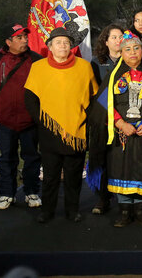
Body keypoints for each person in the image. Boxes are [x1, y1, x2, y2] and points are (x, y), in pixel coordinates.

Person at [89, 31, 142, 227]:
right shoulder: (112, 77)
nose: (132, 52)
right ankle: (124, 211)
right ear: (121, 52)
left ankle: (140, 210)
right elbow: (103, 104)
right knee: (121, 169)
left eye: (136, 48)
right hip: (120, 134)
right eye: (127, 49)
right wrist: (120, 123)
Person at [24, 27, 98, 223]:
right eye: (58, 43)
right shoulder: (38, 68)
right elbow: (30, 98)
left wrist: (88, 121)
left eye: (66, 42)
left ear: (71, 46)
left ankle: (72, 211)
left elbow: (93, 97)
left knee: (74, 176)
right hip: (49, 130)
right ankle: (47, 211)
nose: (63, 46)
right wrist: (43, 122)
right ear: (50, 47)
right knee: (50, 176)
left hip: (77, 130)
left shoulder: (84, 67)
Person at [0, 24, 42, 210]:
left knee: (31, 158)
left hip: (30, 122)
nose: (24, 40)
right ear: (8, 42)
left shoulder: (36, 60)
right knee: (6, 159)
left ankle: (31, 192)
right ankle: (6, 194)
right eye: (19, 37)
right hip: (3, 122)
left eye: (25, 37)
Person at [88, 24, 124, 215]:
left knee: (123, 159)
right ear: (106, 41)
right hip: (102, 119)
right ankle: (103, 198)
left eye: (121, 37)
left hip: (125, 119)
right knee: (102, 159)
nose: (118, 40)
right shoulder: (95, 63)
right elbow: (92, 93)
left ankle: (127, 198)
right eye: (114, 37)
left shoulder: (132, 60)